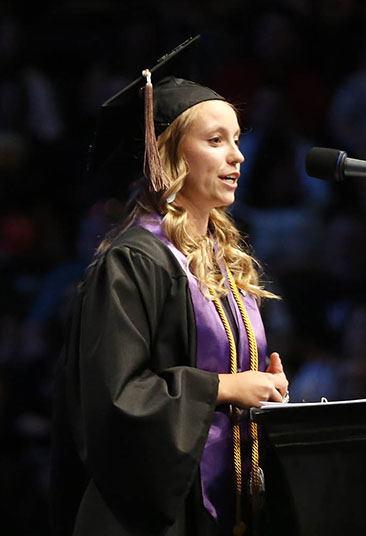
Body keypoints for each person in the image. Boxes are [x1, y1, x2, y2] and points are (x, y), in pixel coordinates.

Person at [50, 37, 288, 536]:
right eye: (216, 140)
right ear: (168, 153)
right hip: (155, 517)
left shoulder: (224, 263)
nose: (237, 156)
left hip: (227, 508)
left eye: (238, 139)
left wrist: (261, 386)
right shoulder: (133, 261)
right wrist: (225, 387)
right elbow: (115, 398)